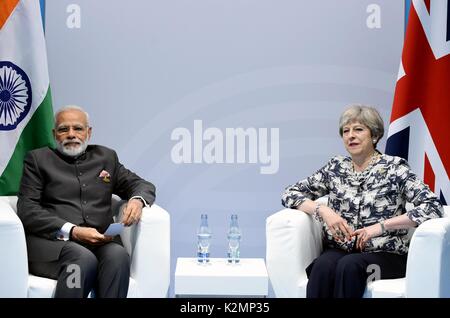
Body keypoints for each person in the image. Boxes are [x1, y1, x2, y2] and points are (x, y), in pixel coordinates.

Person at [281, 104, 443, 298]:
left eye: (358, 129)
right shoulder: (336, 168)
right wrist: (323, 211)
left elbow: (433, 207)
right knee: (322, 266)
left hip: (386, 255)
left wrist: (380, 227)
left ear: (374, 135)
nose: (350, 135)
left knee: (349, 266)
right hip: (341, 249)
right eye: (346, 131)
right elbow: (290, 193)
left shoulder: (394, 169)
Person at [17, 105, 156, 298]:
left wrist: (137, 200)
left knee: (118, 256)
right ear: (54, 133)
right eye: (64, 129)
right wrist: (72, 230)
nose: (71, 134)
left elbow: (141, 184)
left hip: (100, 241)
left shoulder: (106, 157)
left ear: (89, 132)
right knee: (81, 259)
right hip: (53, 245)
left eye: (78, 128)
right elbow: (27, 209)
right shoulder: (38, 160)